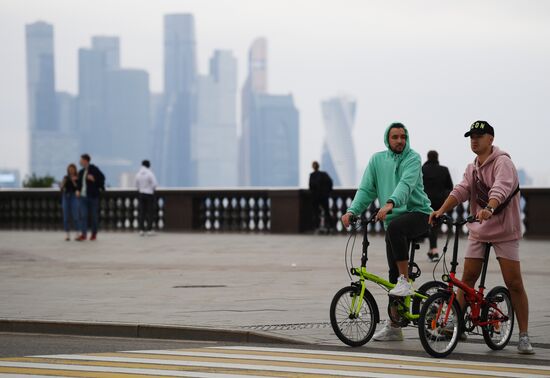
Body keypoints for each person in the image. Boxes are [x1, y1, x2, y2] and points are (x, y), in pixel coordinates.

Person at [429, 120, 534, 354]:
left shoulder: (503, 163)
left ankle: (524, 335)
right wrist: (441, 210)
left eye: (479, 135)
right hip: (479, 230)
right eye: (471, 136)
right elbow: (461, 190)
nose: (474, 140)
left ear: (491, 139)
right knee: (466, 280)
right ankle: (457, 325)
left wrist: (490, 207)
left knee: (514, 283)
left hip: (504, 231)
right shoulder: (472, 167)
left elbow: (501, 188)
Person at [341, 123, 432, 341]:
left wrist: (391, 202)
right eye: (395, 137)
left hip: (419, 213)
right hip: (393, 222)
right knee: (391, 275)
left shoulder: (413, 158)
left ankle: (406, 280)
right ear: (387, 139)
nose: (400, 140)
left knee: (396, 228)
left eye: (403, 137)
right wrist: (352, 211)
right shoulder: (377, 160)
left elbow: (406, 184)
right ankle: (394, 325)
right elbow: (366, 189)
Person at [422, 150, 453, 261]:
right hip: (439, 202)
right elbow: (450, 187)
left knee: (426, 224)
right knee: (434, 225)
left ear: (427, 157)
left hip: (424, 202)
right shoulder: (444, 170)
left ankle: (433, 250)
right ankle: (433, 250)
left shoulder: (422, 170)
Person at [75, 154, 105, 241]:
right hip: (83, 197)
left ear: (86, 160)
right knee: (83, 215)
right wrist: (77, 190)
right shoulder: (81, 172)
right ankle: (83, 234)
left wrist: (94, 179)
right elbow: (79, 184)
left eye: (81, 160)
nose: (80, 162)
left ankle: (94, 234)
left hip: (93, 197)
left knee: (94, 216)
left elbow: (102, 179)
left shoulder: (94, 169)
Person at [309, 161, 334, 233]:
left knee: (316, 213)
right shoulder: (324, 174)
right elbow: (330, 182)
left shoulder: (312, 175)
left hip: (316, 197)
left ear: (313, 167)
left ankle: (317, 228)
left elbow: (311, 186)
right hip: (324, 197)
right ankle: (330, 227)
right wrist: (327, 192)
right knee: (327, 212)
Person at [135, 160, 158, 236]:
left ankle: (141, 229)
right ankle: (149, 229)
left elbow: (136, 185)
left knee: (142, 212)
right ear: (148, 165)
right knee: (150, 212)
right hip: (149, 194)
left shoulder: (138, 174)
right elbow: (155, 184)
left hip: (141, 194)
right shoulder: (150, 173)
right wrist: (150, 189)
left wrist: (141, 189)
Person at [60, 163, 80, 241]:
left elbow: (78, 188)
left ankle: (77, 234)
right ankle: (67, 234)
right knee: (66, 216)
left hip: (74, 196)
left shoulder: (77, 178)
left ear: (75, 170)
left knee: (76, 215)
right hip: (66, 196)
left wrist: (73, 181)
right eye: (70, 169)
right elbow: (61, 188)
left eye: (72, 169)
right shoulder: (65, 177)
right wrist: (63, 183)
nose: (71, 170)